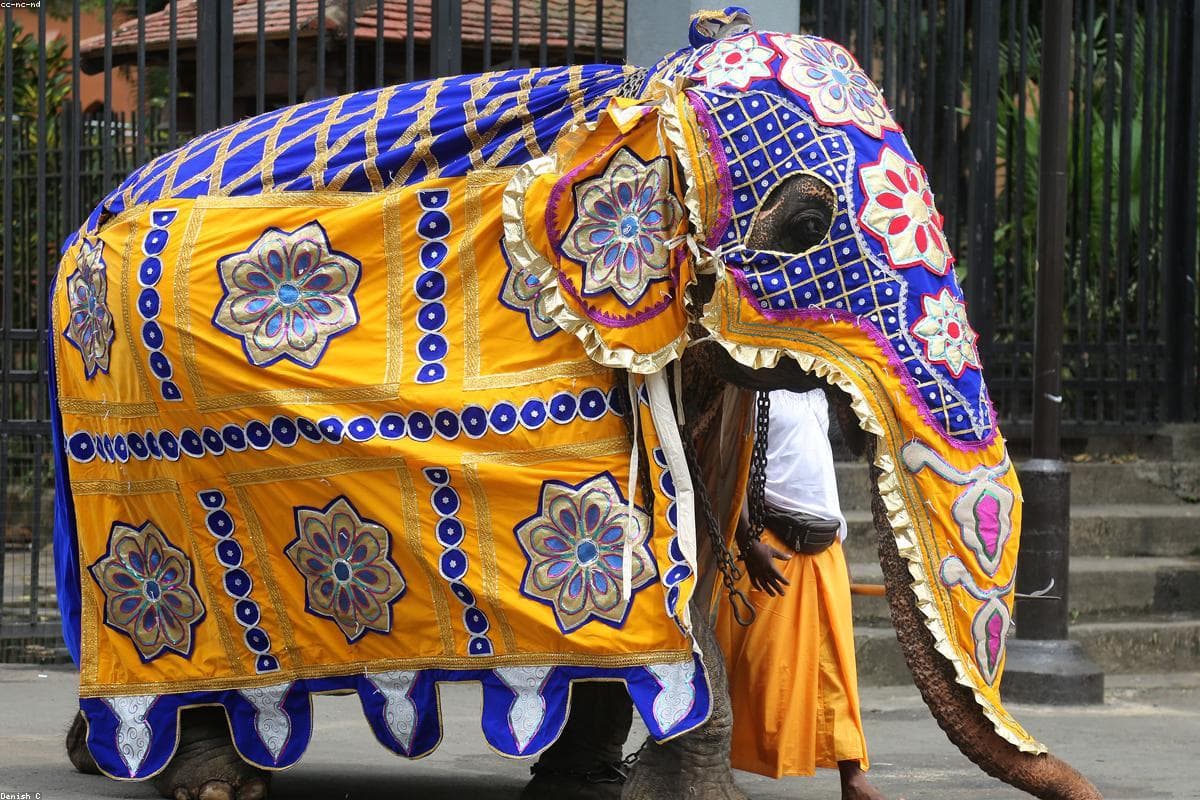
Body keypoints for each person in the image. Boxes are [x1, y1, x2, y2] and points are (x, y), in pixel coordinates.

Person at [716, 388, 885, 800]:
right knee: (752, 663)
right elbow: (725, 466)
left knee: (836, 669)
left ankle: (854, 779)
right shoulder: (750, 387)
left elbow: (856, 444)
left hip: (825, 548)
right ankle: (707, 766)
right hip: (769, 544)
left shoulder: (817, 385)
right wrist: (747, 544)